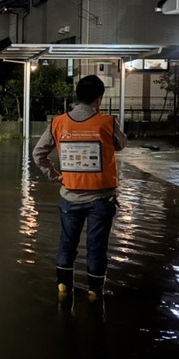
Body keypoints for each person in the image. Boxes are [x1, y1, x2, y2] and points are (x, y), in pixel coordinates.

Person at [33, 74, 126, 302]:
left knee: (67, 243)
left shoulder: (58, 122)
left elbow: (38, 154)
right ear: (99, 98)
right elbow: (121, 145)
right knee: (97, 247)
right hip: (102, 198)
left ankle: (63, 288)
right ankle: (95, 293)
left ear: (77, 96)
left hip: (70, 197)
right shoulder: (107, 122)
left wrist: (55, 176)